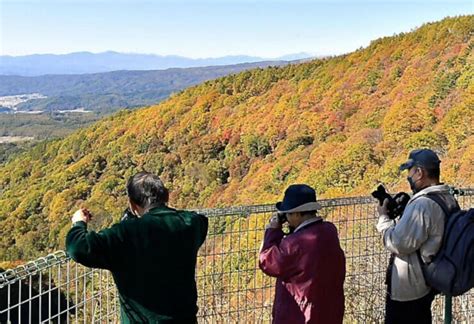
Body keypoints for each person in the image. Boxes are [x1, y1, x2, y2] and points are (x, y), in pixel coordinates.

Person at [66, 172, 208, 323]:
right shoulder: (191, 223)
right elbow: (200, 220)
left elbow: (77, 247)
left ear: (132, 204)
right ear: (166, 195)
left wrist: (79, 223)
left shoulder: (125, 234)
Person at [376, 149, 459, 324]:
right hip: (427, 282)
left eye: (410, 171)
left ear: (420, 172)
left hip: (410, 288)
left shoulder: (422, 204)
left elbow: (398, 243)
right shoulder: (446, 197)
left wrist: (383, 219)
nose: (408, 177)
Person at [259, 184, 346, 324]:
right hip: (329, 311)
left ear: (297, 214)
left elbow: (267, 262)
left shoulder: (294, 244)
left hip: (300, 315)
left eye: (288, 213)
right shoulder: (329, 231)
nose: (286, 218)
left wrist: (272, 231)